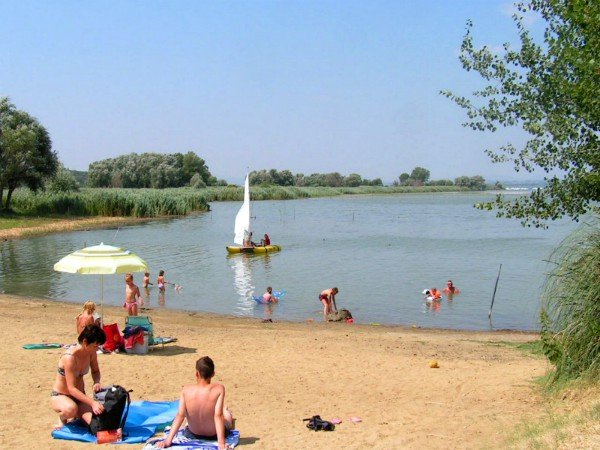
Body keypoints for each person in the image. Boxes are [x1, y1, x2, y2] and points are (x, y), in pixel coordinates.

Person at [156, 356, 234, 449]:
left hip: (192, 434)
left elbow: (180, 415)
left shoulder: (186, 390)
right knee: (227, 418)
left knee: (187, 422)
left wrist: (167, 441)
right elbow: (218, 415)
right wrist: (221, 443)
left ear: (197, 374)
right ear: (213, 374)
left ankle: (225, 412)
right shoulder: (219, 389)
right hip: (214, 434)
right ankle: (227, 412)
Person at [51, 325, 106, 426]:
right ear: (85, 342)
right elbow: (71, 388)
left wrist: (96, 381)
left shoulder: (91, 353)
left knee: (96, 423)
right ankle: (62, 417)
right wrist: (92, 403)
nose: (97, 349)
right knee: (71, 409)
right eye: (95, 346)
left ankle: (77, 414)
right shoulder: (70, 358)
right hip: (61, 395)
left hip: (80, 397)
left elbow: (95, 371)